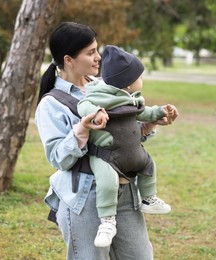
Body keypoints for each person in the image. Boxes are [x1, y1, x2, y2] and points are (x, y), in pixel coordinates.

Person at [35, 22, 178, 260]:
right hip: (85, 198)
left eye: (96, 50)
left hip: (126, 193)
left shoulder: (105, 86)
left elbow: (121, 138)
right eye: (90, 52)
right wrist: (81, 128)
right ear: (68, 60)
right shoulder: (51, 104)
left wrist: (152, 123)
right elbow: (59, 158)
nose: (98, 57)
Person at [77, 45, 176, 248]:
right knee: (107, 182)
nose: (142, 80)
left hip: (133, 152)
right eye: (140, 76)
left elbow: (146, 113)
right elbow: (83, 105)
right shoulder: (100, 96)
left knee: (148, 165)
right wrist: (96, 113)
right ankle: (107, 222)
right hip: (107, 155)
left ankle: (148, 198)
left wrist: (161, 111)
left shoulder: (132, 99)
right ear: (128, 83)